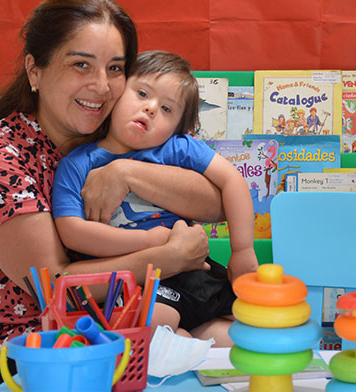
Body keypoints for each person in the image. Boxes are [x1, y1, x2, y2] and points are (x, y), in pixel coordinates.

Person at [0, 0, 227, 392]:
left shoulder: (116, 127)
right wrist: (165, 257)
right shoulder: (0, 157)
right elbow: (55, 286)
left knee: (240, 342)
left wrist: (126, 172)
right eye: (81, 65)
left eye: (115, 68)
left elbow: (216, 203)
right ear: (35, 70)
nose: (101, 86)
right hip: (32, 348)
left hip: (131, 315)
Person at [52, 50, 259, 336]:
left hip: (196, 271)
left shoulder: (178, 148)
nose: (150, 108)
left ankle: (188, 344)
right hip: (142, 282)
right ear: (117, 93)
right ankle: (181, 343)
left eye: (167, 109)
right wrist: (148, 240)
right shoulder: (77, 164)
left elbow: (232, 181)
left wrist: (243, 249)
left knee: (252, 331)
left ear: (178, 127)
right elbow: (72, 232)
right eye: (141, 93)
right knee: (149, 325)